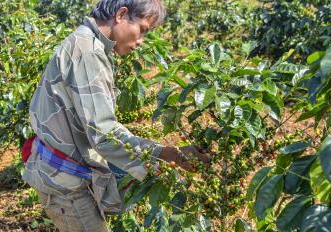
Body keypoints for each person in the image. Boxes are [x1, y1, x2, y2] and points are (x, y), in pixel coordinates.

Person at [22, 0, 209, 231]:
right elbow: (104, 133)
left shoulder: (88, 44)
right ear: (121, 15)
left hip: (62, 174)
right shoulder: (88, 53)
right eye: (142, 30)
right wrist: (162, 155)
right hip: (65, 185)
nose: (140, 41)